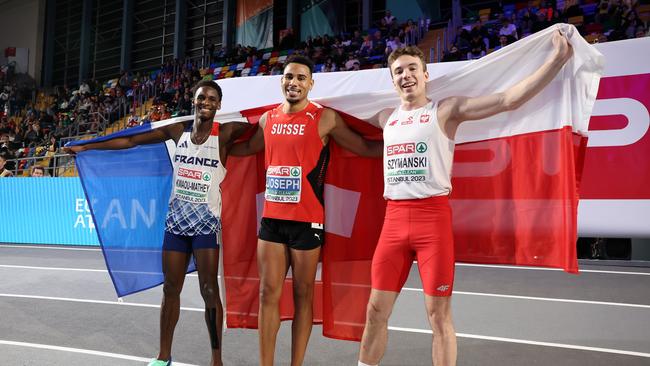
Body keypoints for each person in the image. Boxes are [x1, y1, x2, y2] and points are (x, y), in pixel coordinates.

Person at [358, 31, 573, 366]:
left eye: (412, 68)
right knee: (374, 311)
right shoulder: (386, 118)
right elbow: (335, 117)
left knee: (438, 315)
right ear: (393, 81)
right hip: (393, 222)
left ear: (425, 75)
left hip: (433, 222)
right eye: (398, 71)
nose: (406, 75)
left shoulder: (446, 110)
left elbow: (508, 100)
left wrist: (557, 60)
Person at [65, 80, 250, 366]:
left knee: (209, 290)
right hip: (176, 226)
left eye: (212, 98)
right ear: (194, 101)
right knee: (170, 289)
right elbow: (130, 140)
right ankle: (163, 355)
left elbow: (264, 129)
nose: (206, 102)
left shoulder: (225, 134)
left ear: (219, 105)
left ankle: (217, 359)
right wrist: (87, 147)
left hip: (205, 226)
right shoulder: (179, 131)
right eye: (201, 97)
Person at [230, 55, 382, 366]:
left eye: (301, 78)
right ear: (281, 82)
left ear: (311, 84)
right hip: (271, 221)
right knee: (267, 294)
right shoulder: (267, 119)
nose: (294, 82)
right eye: (289, 77)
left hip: (307, 222)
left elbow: (363, 148)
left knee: (303, 296)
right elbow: (246, 148)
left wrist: (402, 139)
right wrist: (210, 141)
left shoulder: (324, 118)